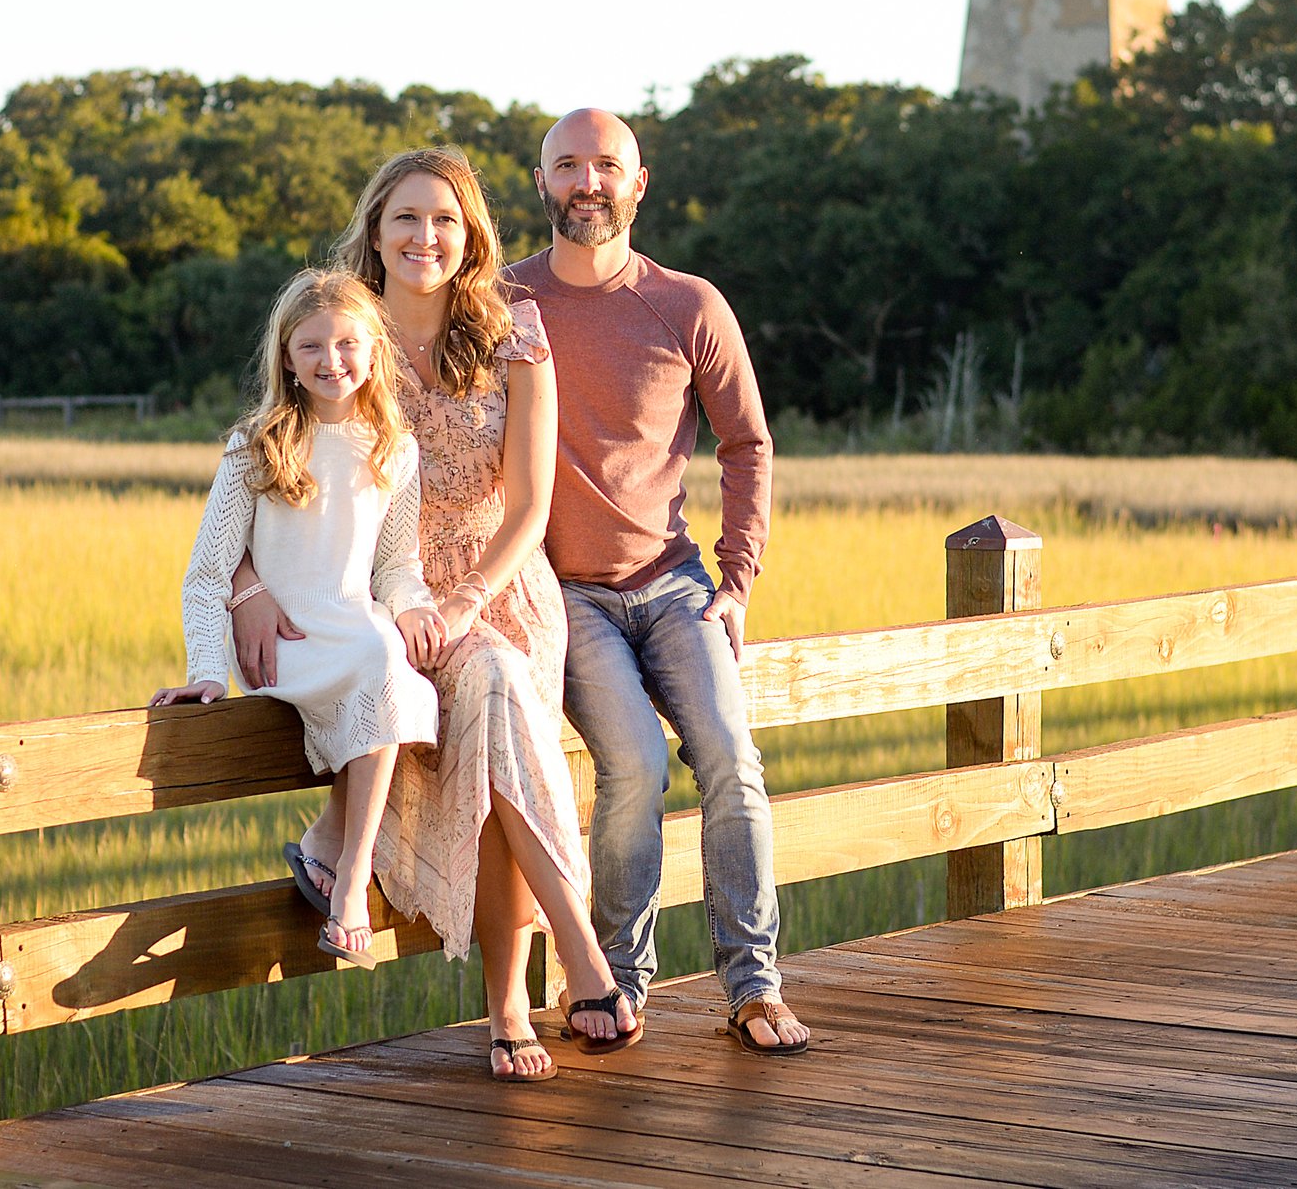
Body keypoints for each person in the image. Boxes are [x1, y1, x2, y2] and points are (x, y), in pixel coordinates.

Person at [227, 148, 636, 1078]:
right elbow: (268, 466)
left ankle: (508, 1012)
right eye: (405, 218)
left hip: (497, 583)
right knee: (486, 696)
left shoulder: (514, 335)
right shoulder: (339, 333)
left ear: (472, 235)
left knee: (494, 702)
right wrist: (245, 584)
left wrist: (466, 599)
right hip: (381, 594)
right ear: (374, 231)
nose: (425, 237)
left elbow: (530, 503)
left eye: (445, 219)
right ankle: (577, 962)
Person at [503, 107, 812, 1056]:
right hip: (568, 596)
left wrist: (738, 577)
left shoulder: (687, 305)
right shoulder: (503, 303)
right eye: (568, 166)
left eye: (606, 165)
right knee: (633, 763)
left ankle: (754, 986)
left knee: (731, 760)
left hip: (675, 584)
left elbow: (747, 444)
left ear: (639, 184)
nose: (586, 182)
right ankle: (617, 983)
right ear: (543, 183)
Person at [150, 266, 439, 970]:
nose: (330, 361)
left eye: (346, 344)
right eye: (310, 347)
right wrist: (206, 671)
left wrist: (416, 609)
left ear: (374, 352)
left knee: (394, 669)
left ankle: (334, 855)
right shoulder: (259, 443)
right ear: (285, 356)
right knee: (381, 669)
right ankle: (350, 888)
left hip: (356, 624)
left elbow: (396, 565)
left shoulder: (394, 450)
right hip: (291, 644)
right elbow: (208, 570)